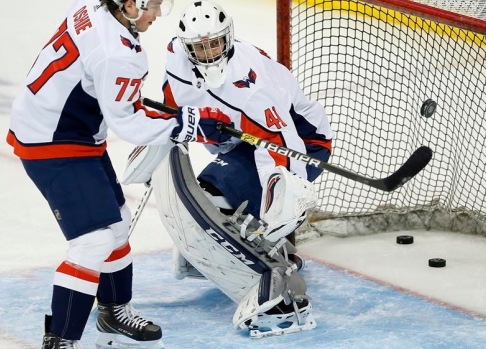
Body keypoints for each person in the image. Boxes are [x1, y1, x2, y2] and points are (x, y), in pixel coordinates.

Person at [6, 0, 234, 348]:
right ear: (130, 4)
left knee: (117, 224)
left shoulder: (94, 10)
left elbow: (106, 87)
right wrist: (192, 126)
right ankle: (60, 339)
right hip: (54, 142)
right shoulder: (117, 54)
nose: (158, 14)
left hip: (67, 129)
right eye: (154, 6)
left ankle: (114, 312)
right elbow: (127, 122)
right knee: (93, 240)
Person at [123, 0, 333, 338]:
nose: (208, 53)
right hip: (242, 142)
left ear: (228, 38)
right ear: (186, 46)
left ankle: (278, 261)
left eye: (215, 43)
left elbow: (282, 153)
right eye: (199, 47)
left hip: (301, 145)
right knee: (209, 193)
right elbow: (172, 109)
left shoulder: (252, 89)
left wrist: (278, 212)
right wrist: (160, 144)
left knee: (242, 197)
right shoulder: (178, 56)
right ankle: (215, 255)